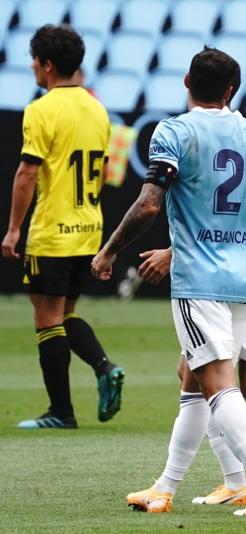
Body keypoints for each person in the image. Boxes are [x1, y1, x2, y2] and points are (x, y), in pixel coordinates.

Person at [91, 48, 246, 517]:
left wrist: (109, 250)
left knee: (217, 386)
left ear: (186, 80)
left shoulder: (174, 131)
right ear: (231, 91)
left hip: (199, 281)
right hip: (245, 282)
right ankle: (164, 487)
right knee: (193, 382)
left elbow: (148, 204)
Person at [1, 24, 124, 429]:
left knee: (46, 319)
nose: (33, 68)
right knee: (65, 313)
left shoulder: (42, 109)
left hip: (53, 230)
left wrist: (14, 229)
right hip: (89, 228)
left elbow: (26, 173)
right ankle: (104, 366)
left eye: (34, 61)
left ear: (48, 65)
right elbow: (105, 171)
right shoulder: (96, 107)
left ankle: (61, 412)